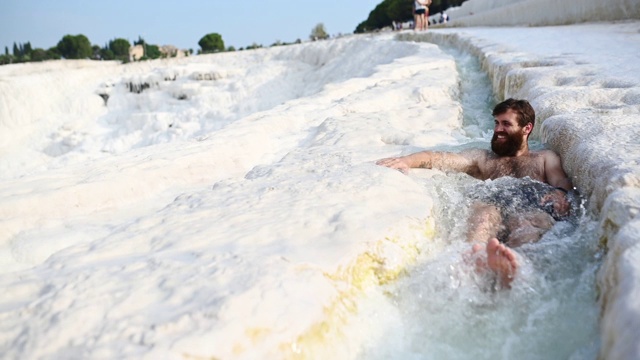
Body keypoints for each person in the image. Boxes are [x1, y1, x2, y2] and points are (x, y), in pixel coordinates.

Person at [376, 98, 574, 288]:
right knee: (483, 215)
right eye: (496, 123)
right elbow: (437, 158)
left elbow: (561, 181)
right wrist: (406, 161)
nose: (498, 130)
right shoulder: (483, 158)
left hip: (529, 205)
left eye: (506, 124)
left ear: (527, 128)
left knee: (525, 222)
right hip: (493, 201)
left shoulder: (544, 158)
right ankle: (473, 262)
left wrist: (560, 192)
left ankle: (516, 268)